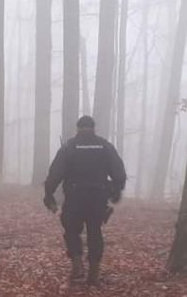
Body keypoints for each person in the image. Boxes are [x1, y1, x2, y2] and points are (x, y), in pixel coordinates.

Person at [43, 115, 126, 285]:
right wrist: (116, 191)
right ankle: (94, 273)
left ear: (77, 128)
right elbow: (119, 173)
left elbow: (55, 173)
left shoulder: (69, 147)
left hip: (74, 196)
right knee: (95, 231)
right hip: (98, 197)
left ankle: (77, 264)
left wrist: (49, 193)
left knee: (71, 230)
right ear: (94, 128)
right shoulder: (105, 146)